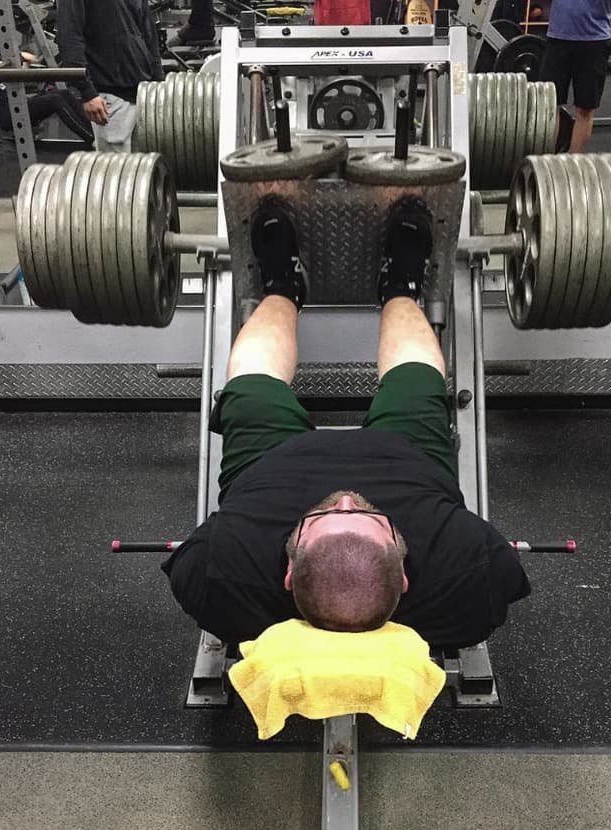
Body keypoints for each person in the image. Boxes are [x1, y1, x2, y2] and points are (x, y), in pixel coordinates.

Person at [162, 199, 531, 648]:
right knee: (417, 379)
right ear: (406, 576)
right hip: (406, 462)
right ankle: (399, 286)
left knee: (252, 383)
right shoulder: (471, 576)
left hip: (273, 467)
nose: (343, 503)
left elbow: (185, 567)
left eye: (320, 520)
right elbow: (507, 574)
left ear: (288, 571)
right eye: (369, 519)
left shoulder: (222, 573)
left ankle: (281, 284)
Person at [0, 23, 94, 144]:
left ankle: (95, 135)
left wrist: (22, 61)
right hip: (2, 118)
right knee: (56, 99)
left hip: (15, 107)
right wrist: (18, 58)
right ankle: (92, 141)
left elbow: (18, 63)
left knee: (63, 93)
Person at [58, 0, 164, 152]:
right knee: (116, 171)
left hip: (143, 94)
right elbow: (69, 36)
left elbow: (149, 35)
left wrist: (159, 84)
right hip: (109, 96)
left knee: (144, 170)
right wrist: (86, 91)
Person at [540, 0, 611, 153]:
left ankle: (572, 166)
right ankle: (546, 164)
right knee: (549, 105)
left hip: (593, 41)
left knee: (585, 109)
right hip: (558, 39)